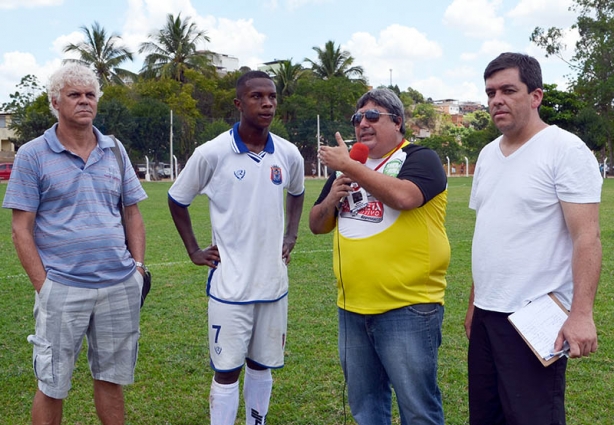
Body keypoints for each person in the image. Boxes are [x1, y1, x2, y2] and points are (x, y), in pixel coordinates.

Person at [2, 64, 148, 425]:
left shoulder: (114, 150)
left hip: (118, 284)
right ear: (55, 101)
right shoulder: (33, 154)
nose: (85, 101)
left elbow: (132, 213)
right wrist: (45, 287)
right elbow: (21, 229)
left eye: (90, 95)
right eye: (74, 95)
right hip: (62, 287)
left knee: (112, 379)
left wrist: (138, 269)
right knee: (52, 384)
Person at [465, 52, 602, 424]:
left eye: (509, 90)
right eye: (491, 92)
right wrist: (476, 303)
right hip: (488, 317)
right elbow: (489, 235)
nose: (497, 100)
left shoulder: (565, 150)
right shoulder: (488, 155)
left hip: (534, 318)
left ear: (536, 96)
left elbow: (587, 238)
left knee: (532, 416)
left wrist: (582, 315)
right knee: (486, 416)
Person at [168, 70, 305, 425]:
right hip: (230, 287)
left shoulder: (288, 154)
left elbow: (297, 192)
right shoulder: (212, 153)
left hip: (273, 286)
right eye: (257, 96)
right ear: (238, 103)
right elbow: (177, 199)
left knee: (261, 366)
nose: (267, 103)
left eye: (272, 97)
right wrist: (194, 251)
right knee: (227, 372)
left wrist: (291, 235)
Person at [309, 88, 450, 425]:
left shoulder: (420, 157)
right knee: (366, 407)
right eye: (358, 118)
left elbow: (405, 197)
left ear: (398, 122)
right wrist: (332, 199)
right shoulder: (350, 168)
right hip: (352, 309)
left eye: (373, 116)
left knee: (417, 409)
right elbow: (316, 224)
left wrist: (350, 169)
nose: (363, 124)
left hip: (408, 307)